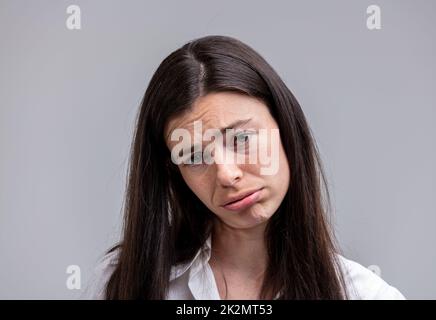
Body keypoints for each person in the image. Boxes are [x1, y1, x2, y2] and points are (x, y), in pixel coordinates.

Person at [82, 35, 405, 300]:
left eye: (241, 138)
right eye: (193, 156)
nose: (226, 174)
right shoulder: (121, 283)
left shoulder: (365, 295)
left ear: (286, 130)